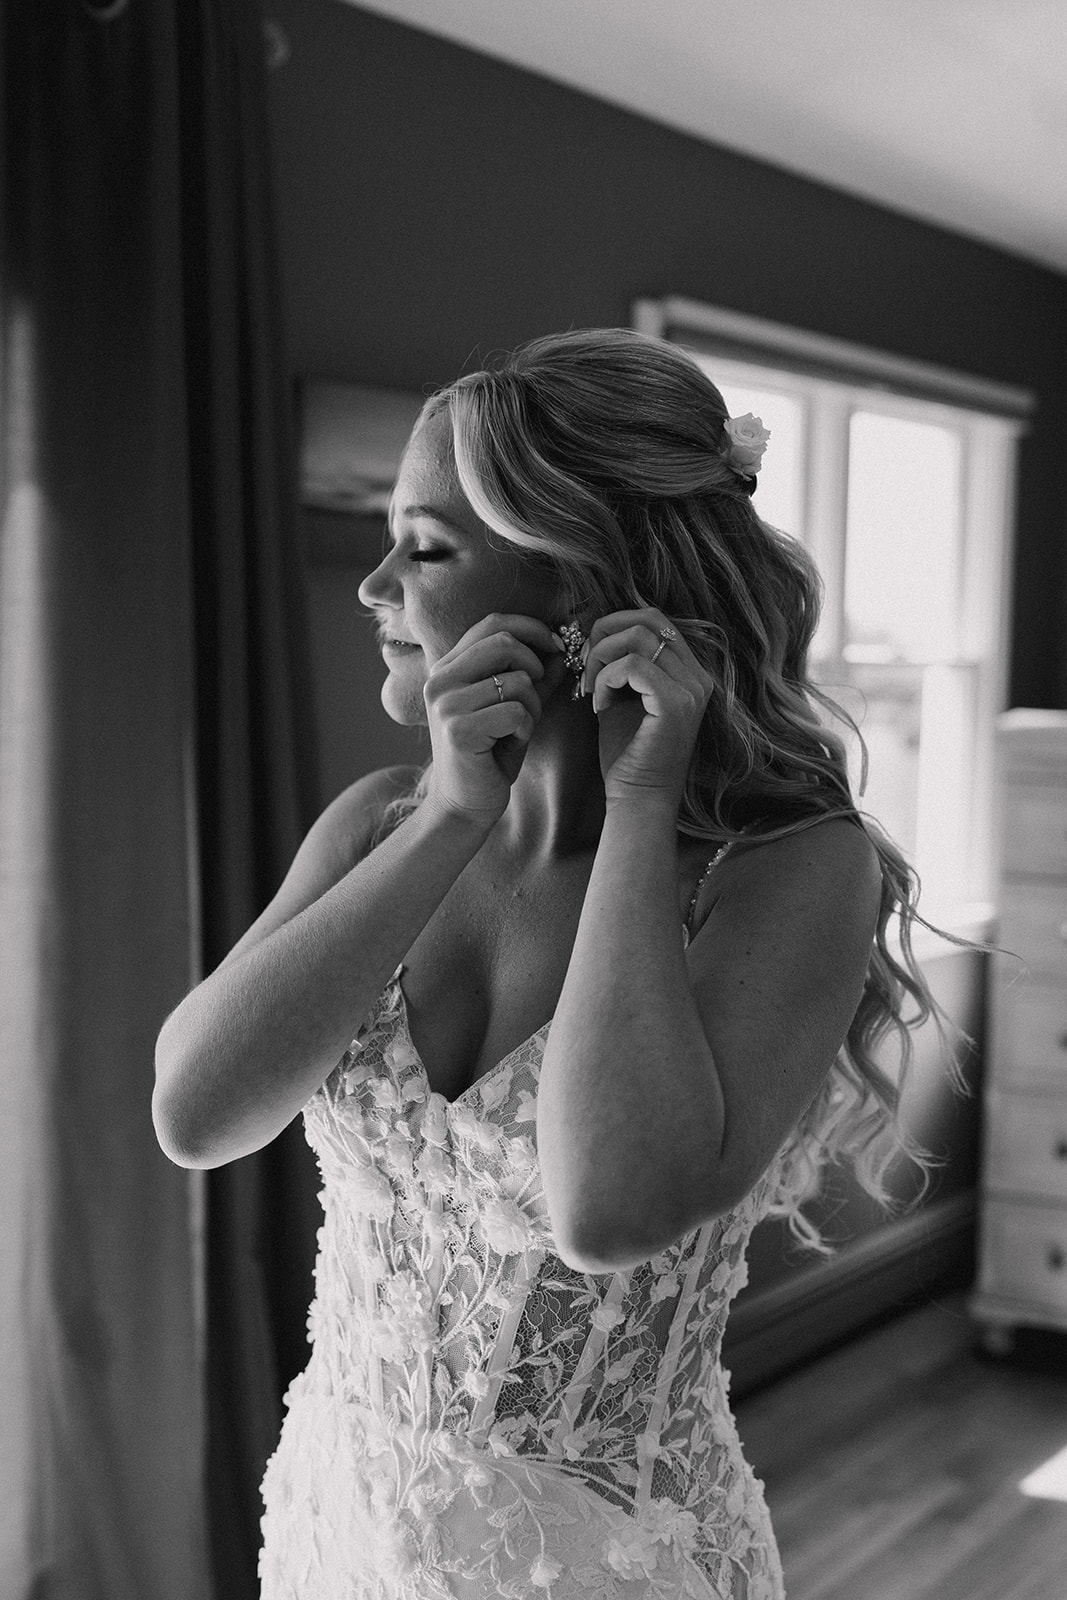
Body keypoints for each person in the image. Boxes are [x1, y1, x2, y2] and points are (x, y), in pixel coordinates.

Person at [154, 329, 960, 1599]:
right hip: (340, 1521)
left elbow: (606, 1210)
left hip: (594, 1566)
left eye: (421, 549)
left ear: (578, 592)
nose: (370, 587)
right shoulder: (379, 823)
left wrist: (639, 802)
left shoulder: (791, 872)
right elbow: (195, 1114)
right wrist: (446, 820)